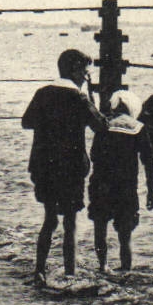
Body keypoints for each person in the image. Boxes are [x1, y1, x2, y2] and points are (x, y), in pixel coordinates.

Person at [22, 49, 108, 284]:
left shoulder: (42, 93)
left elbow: (26, 122)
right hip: (70, 168)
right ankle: (70, 274)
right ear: (75, 70)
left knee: (50, 218)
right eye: (86, 72)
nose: (87, 76)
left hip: (43, 166)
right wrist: (90, 96)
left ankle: (39, 270)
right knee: (70, 222)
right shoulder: (79, 98)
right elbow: (101, 125)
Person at [88, 91, 153, 274]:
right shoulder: (138, 128)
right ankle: (126, 269)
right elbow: (149, 162)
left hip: (102, 185)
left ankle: (103, 266)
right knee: (125, 235)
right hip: (126, 187)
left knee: (100, 228)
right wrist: (151, 191)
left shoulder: (104, 125)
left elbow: (94, 155)